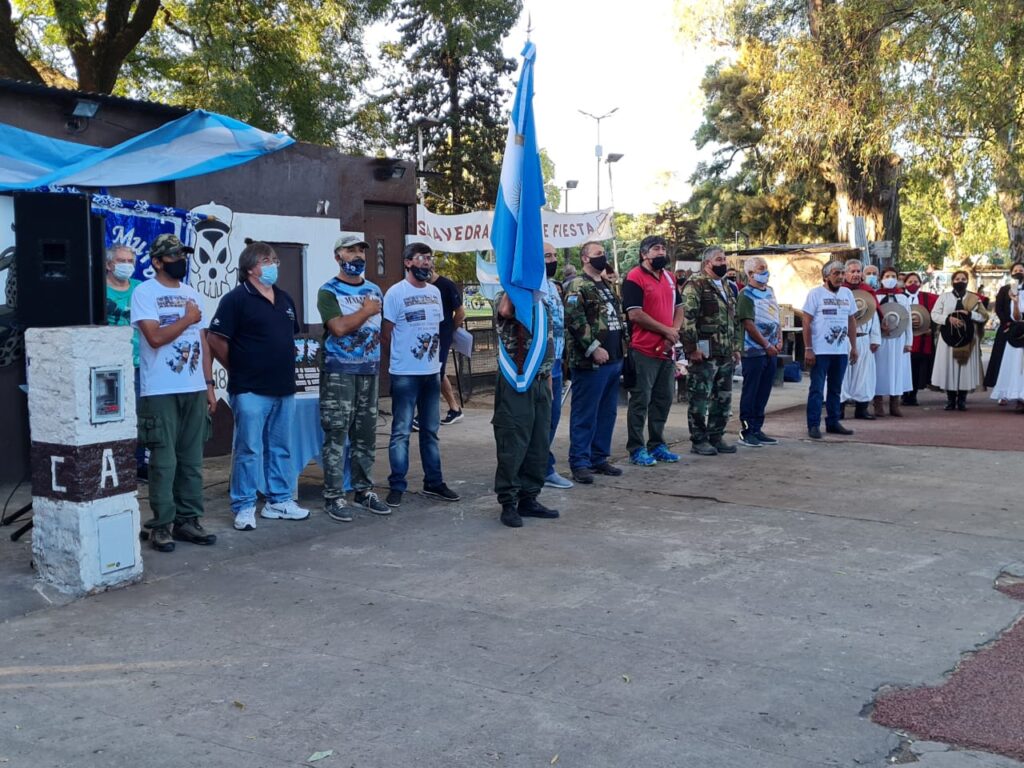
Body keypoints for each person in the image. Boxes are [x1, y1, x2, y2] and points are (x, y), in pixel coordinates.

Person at [207, 242, 309, 531]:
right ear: (251, 267)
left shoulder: (285, 298)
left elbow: (289, 337)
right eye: (267, 260)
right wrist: (238, 367)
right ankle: (244, 505)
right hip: (250, 389)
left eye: (275, 260)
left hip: (284, 388)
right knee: (248, 449)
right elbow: (215, 339)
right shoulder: (236, 299)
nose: (274, 265)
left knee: (281, 448)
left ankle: (279, 500)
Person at [131, 234, 217, 552]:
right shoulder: (145, 292)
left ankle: (188, 520)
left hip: (193, 388)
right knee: (163, 462)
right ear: (157, 262)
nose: (181, 260)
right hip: (161, 390)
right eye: (174, 256)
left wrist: (209, 385)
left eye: (183, 255)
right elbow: (154, 338)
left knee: (192, 460)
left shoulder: (192, 293)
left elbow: (203, 342)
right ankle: (161, 525)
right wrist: (187, 318)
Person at [312, 235, 390, 522]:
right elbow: (339, 328)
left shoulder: (374, 290)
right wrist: (366, 311)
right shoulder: (328, 291)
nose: (357, 256)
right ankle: (334, 496)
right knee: (336, 434)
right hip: (338, 373)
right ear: (337, 257)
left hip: (368, 372)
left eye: (361, 251)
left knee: (366, 435)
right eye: (350, 251)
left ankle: (363, 490)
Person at [382, 243, 460, 506]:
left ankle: (434, 482)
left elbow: (437, 326)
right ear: (407, 262)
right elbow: (387, 332)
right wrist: (399, 359)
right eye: (421, 258)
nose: (427, 263)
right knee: (401, 431)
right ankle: (397, 485)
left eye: (429, 258)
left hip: (431, 372)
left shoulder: (435, 293)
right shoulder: (395, 293)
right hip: (405, 373)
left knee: (431, 430)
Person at [491, 290, 559, 528]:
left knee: (538, 443)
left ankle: (529, 498)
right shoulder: (507, 295)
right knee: (513, 441)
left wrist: (548, 377)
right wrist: (515, 283)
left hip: (541, 380)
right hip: (517, 381)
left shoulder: (542, 302)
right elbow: (505, 312)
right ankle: (508, 502)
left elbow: (547, 341)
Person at [563, 241, 625, 484]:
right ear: (585, 259)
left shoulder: (607, 285)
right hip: (591, 362)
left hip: (614, 358)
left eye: (604, 253)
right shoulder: (578, 285)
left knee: (607, 412)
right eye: (598, 254)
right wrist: (593, 347)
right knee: (585, 412)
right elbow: (575, 319)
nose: (603, 257)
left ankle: (599, 457)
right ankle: (580, 462)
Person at [679, 245, 738, 456]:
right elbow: (687, 319)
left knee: (723, 398)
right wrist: (692, 348)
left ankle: (716, 436)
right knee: (700, 398)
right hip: (704, 353)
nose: (724, 263)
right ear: (707, 263)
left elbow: (733, 319)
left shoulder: (727, 286)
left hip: (725, 351)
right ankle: (699, 439)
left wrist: (735, 348)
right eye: (719, 260)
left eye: (724, 259)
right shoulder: (695, 285)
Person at [802, 260, 858, 439]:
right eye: (836, 273)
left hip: (840, 350)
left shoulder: (847, 293)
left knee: (835, 389)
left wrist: (853, 347)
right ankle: (813, 424)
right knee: (817, 389)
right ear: (826, 276)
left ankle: (833, 422)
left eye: (842, 273)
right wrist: (808, 348)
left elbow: (851, 321)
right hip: (820, 350)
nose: (840, 277)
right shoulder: (815, 294)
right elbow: (806, 321)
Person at [105, 245, 147, 479]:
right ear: (109, 264)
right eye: (121, 260)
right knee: (114, 415)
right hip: (110, 364)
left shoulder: (141, 289)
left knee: (140, 415)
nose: (126, 265)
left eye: (131, 260)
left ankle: (138, 463)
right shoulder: (97, 290)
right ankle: (115, 464)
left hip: (140, 362)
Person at [735, 255, 782, 447]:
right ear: (750, 273)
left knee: (764, 391)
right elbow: (748, 323)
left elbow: (776, 317)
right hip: (754, 351)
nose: (765, 273)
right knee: (751, 391)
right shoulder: (745, 295)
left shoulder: (770, 291)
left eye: (766, 269)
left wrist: (778, 339)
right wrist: (766, 345)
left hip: (771, 350)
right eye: (761, 269)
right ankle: (746, 430)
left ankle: (757, 428)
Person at [931, 270, 990, 410]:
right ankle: (951, 400)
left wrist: (970, 314)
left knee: (964, 367)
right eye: (957, 278)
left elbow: (983, 316)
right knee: (949, 367)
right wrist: (948, 319)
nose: (960, 281)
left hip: (968, 338)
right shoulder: (944, 297)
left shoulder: (974, 298)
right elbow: (934, 314)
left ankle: (962, 400)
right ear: (952, 281)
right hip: (948, 337)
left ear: (967, 281)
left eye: (963, 279)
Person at [541, 243, 573, 489]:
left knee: (552, 418)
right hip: (540, 365)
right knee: (542, 419)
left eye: (554, 255)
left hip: (557, 361)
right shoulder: (530, 287)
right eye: (547, 256)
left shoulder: (553, 286)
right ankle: (541, 467)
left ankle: (543, 465)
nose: (553, 260)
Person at [839, 259, 880, 419]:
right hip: (842, 339)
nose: (855, 274)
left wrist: (875, 338)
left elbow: (875, 316)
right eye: (852, 271)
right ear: (845, 273)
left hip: (863, 339)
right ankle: (839, 408)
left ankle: (862, 409)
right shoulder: (840, 292)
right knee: (841, 373)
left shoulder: (868, 292)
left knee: (864, 374)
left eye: (858, 271)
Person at [873, 266, 913, 417]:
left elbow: (907, 320)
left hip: (898, 338)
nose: (890, 279)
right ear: (881, 279)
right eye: (887, 276)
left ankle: (894, 403)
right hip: (881, 338)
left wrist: (909, 342)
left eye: (893, 276)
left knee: (897, 370)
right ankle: (878, 403)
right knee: (879, 369)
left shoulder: (903, 297)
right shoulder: (875, 296)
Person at [428, 267, 466, 425]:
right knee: (438, 372)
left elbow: (460, 312)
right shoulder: (421, 286)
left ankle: (428, 412)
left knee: (436, 372)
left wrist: (450, 330)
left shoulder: (446, 285)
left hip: (442, 335)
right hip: (427, 335)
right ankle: (455, 408)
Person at [984, 262, 1024, 399]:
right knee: (1003, 359)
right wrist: (1007, 323)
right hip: (1008, 327)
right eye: (1016, 270)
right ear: (1011, 272)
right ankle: (1003, 392)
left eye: (1021, 270)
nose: (1019, 272)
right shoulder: (1005, 289)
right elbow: (999, 308)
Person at [901, 272, 938, 406]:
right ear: (905, 284)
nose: (913, 284)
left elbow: (935, 315)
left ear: (920, 284)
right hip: (904, 338)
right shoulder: (899, 297)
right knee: (904, 367)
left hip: (921, 339)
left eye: (916, 282)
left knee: (916, 368)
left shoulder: (928, 298)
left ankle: (914, 394)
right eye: (910, 282)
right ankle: (904, 394)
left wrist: (931, 329)